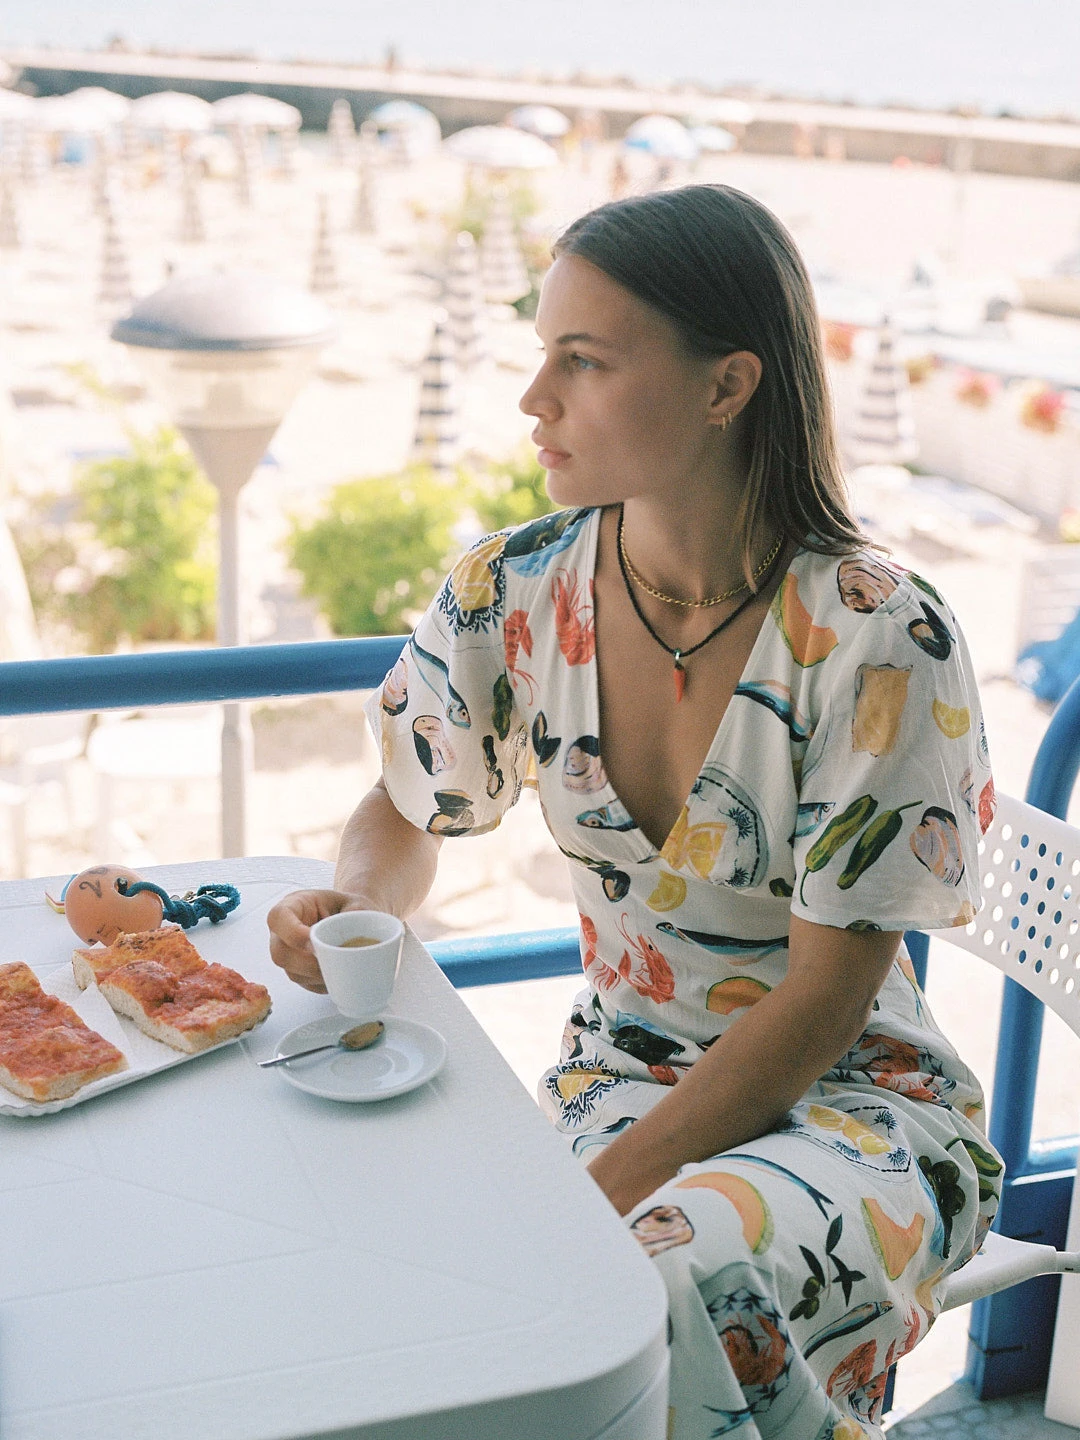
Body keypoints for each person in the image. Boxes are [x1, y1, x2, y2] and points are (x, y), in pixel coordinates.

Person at [267, 185, 1003, 1440]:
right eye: (539, 352)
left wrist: (599, 1194)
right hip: (622, 1071)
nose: (533, 398)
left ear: (728, 386)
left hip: (857, 1103)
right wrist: (361, 904)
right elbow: (407, 803)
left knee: (664, 1267)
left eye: (585, 360)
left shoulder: (879, 636)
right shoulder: (511, 588)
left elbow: (827, 1001)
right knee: (405, 1236)